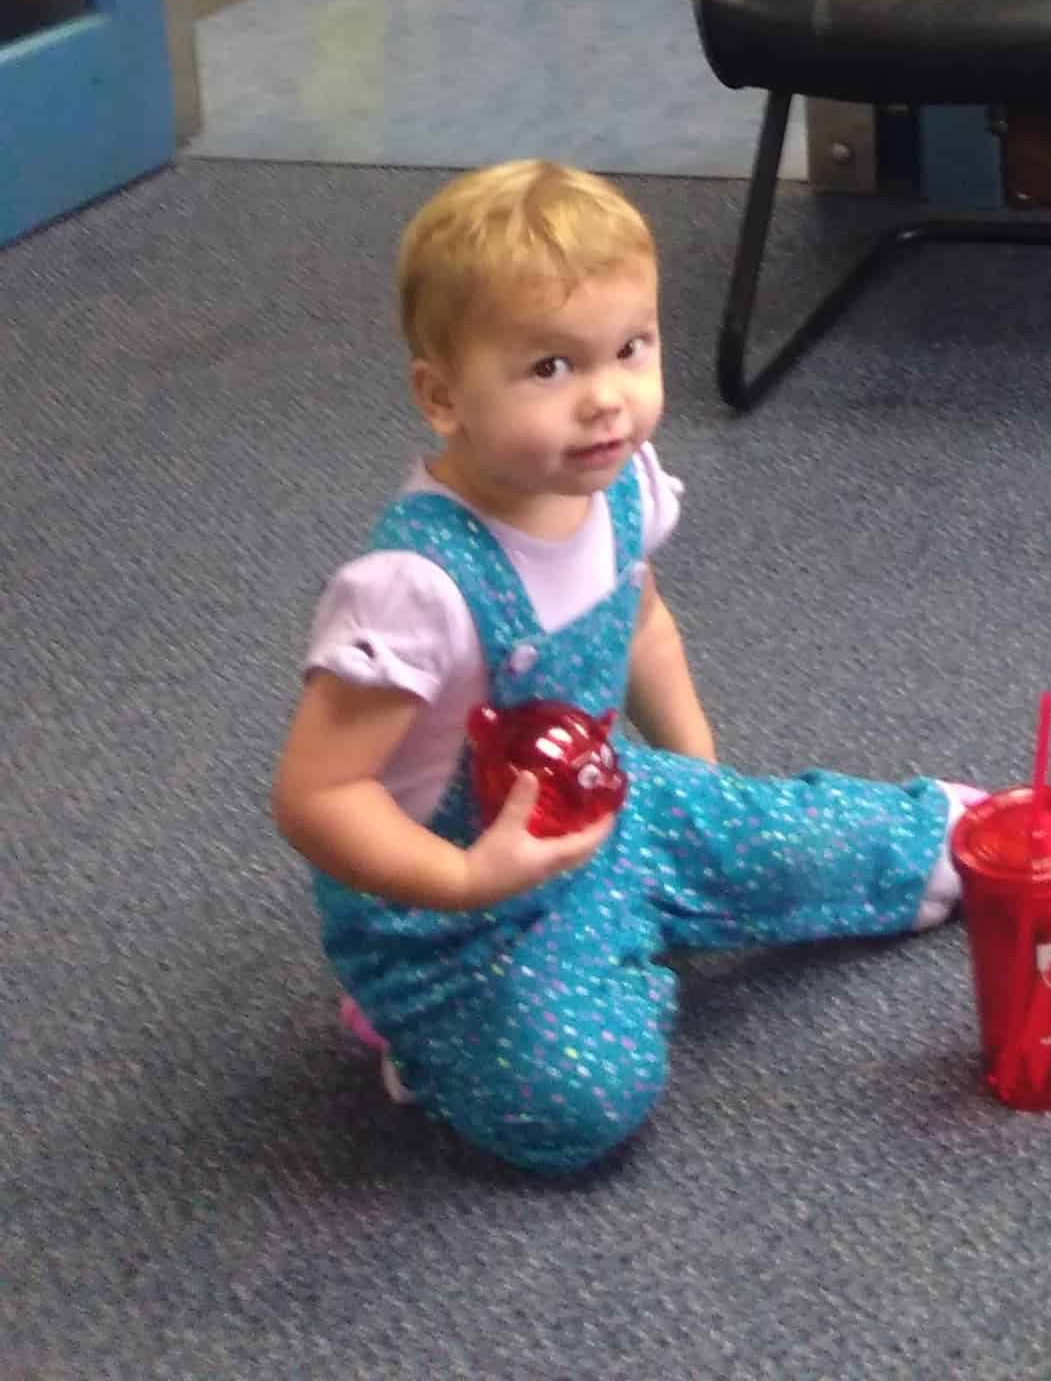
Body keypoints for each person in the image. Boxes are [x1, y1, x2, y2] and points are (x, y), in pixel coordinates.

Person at [272, 162, 978, 1175]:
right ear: (442, 397)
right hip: (450, 915)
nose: (607, 400)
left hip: (605, 804)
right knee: (579, 1103)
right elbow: (316, 795)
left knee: (823, 835)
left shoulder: (620, 492)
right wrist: (467, 877)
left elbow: (640, 627)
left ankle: (949, 836)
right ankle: (428, 1037)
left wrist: (701, 772)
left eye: (631, 350)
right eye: (549, 369)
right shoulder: (413, 589)